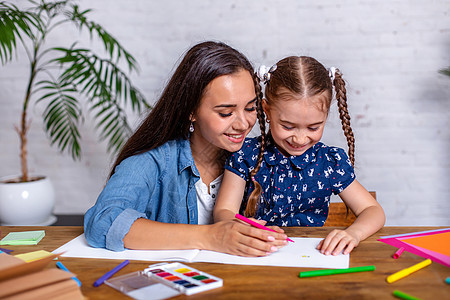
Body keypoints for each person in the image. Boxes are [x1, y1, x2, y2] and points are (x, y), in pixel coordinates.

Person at [84, 41, 288, 256]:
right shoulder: (152, 163)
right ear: (191, 111)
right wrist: (211, 237)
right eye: (226, 113)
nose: (243, 123)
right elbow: (102, 221)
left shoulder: (256, 160)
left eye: (250, 108)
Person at [214, 56, 385, 256]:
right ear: (267, 110)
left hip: (312, 256)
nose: (300, 138)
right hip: (256, 255)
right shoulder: (245, 154)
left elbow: (374, 211)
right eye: (287, 126)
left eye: (313, 127)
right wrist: (239, 226)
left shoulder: (329, 162)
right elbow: (222, 212)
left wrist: (353, 234)